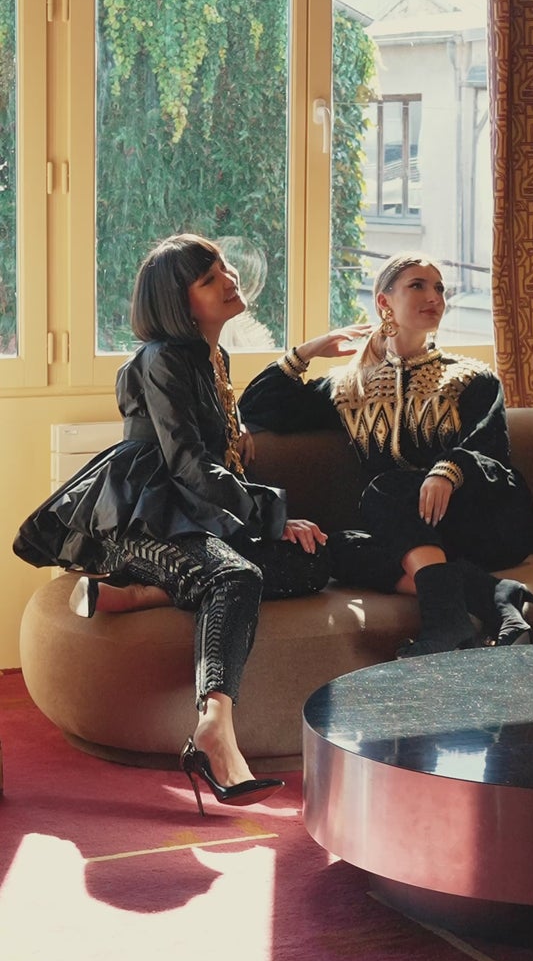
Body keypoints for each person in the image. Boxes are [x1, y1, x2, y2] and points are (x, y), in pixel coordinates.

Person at [13, 235, 330, 813]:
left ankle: (144, 594)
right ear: (179, 304)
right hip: (139, 515)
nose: (229, 278)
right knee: (234, 577)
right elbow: (186, 464)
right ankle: (214, 730)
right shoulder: (161, 358)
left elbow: (218, 452)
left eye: (224, 268)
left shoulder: (215, 358)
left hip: (190, 512)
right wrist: (269, 513)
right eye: (210, 279)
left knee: (314, 560)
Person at [239, 253, 533, 655]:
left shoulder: (471, 376)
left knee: (383, 490)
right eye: (417, 285)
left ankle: (446, 624)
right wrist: (308, 351)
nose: (434, 297)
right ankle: (490, 595)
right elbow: (257, 405)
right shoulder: (348, 387)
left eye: (439, 288)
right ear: (384, 302)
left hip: (485, 518)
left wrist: (447, 470)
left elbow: (490, 447)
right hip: (417, 535)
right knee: (332, 548)